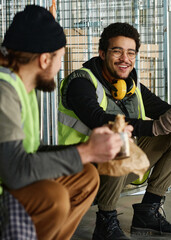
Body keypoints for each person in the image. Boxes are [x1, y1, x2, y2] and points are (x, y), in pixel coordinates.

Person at [58, 22, 171, 239]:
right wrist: (153, 127)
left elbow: (164, 110)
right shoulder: (81, 82)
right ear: (102, 53)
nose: (125, 58)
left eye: (131, 53)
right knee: (117, 139)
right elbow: (97, 119)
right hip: (80, 170)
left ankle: (148, 213)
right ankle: (105, 221)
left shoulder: (131, 85)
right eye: (117, 51)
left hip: (117, 170)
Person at [0, 5, 129, 240]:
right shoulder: (4, 91)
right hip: (7, 187)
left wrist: (91, 150)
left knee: (87, 175)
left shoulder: (24, 89)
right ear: (44, 59)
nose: (61, 67)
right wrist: (85, 151)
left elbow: (31, 151)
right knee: (52, 196)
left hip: (11, 179)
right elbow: (15, 172)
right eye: (61, 58)